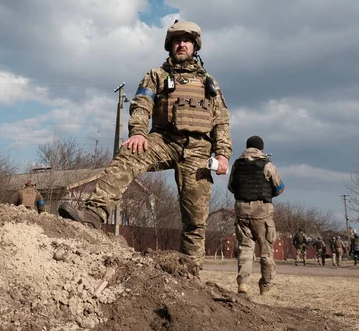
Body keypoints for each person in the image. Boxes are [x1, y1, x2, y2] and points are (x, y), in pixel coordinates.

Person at [58, 20, 232, 263]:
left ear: (195, 46)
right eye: (176, 41)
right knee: (128, 155)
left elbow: (221, 120)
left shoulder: (209, 83)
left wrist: (222, 154)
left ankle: (191, 272)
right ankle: (93, 215)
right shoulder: (157, 75)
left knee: (196, 218)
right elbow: (141, 105)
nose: (181, 44)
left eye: (186, 41)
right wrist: (138, 132)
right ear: (170, 46)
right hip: (164, 140)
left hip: (199, 150)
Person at [227, 136, 285, 295]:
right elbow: (280, 187)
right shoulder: (267, 165)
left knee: (245, 249)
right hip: (262, 212)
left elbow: (231, 187)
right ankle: (265, 285)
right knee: (266, 250)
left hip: (242, 210)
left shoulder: (237, 165)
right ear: (261, 148)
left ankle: (243, 283)